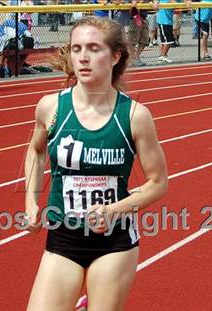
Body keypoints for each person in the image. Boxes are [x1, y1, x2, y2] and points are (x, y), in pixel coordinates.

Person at [24, 16, 168, 310]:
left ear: (115, 56)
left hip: (113, 242)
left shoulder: (135, 115)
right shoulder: (50, 107)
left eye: (93, 48)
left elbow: (158, 182)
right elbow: (36, 151)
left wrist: (114, 209)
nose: (83, 57)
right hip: (63, 236)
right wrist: (30, 200)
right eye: (76, 49)